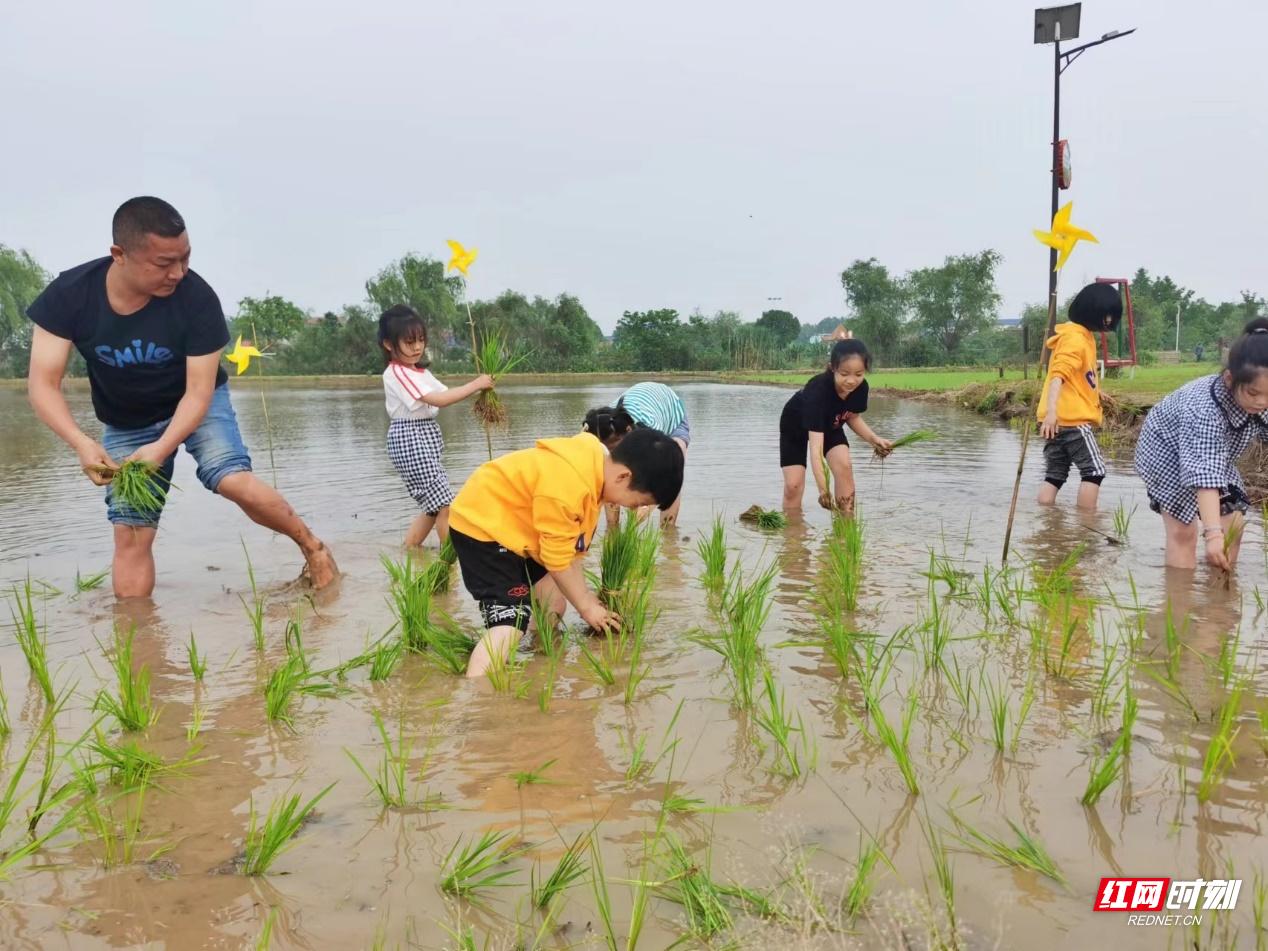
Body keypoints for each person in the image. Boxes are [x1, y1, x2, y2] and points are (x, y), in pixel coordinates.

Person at [25, 196, 337, 598]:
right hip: (127, 419)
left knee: (230, 479)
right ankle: (137, 645)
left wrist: (162, 447)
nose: (178, 272)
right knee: (131, 530)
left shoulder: (197, 298)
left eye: (185, 258)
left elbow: (198, 393)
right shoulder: (71, 295)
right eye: (163, 263)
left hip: (196, 405)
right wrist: (82, 443)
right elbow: (42, 385)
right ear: (119, 254)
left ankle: (314, 548)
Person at [448, 428, 683, 678]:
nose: (633, 509)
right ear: (623, 477)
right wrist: (586, 607)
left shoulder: (596, 473)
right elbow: (555, 559)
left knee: (555, 603)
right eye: (637, 503)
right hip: (482, 528)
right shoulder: (568, 486)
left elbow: (572, 551)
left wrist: (586, 597)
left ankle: (540, 658)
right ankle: (477, 698)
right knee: (510, 624)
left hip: (519, 529)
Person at [1135, 318, 1268, 570]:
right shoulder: (1205, 410)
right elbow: (1205, 477)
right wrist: (1212, 534)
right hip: (1166, 452)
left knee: (1233, 527)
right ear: (1230, 379)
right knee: (1184, 533)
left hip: (1216, 454)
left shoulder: (1262, 399)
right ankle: (1178, 605)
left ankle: (1218, 602)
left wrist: (1219, 535)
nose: (1262, 403)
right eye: (1253, 393)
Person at [379, 305, 492, 547]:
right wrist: (476, 384)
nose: (417, 347)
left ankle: (410, 552)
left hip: (423, 435)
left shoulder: (417, 372)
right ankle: (449, 563)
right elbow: (438, 400)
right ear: (389, 344)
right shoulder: (398, 373)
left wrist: (480, 389)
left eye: (420, 340)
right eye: (409, 342)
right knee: (446, 504)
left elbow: (447, 394)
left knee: (432, 507)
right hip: (409, 439)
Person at [1036, 282, 1123, 510]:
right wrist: (1053, 412)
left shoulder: (1077, 336)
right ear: (1096, 312)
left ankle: (1048, 521)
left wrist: (1097, 392)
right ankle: (1086, 527)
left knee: (1055, 474)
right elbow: (1058, 375)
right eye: (1108, 315)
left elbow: (1077, 377)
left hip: (1055, 419)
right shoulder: (1076, 339)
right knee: (1094, 471)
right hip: (1070, 420)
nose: (1109, 321)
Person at [778, 339, 892, 513]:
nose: (852, 381)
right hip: (795, 426)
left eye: (859, 374)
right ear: (832, 368)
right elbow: (816, 451)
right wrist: (823, 490)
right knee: (793, 486)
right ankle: (793, 534)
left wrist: (874, 439)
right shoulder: (818, 391)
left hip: (830, 423)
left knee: (844, 466)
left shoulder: (860, 389)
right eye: (845, 374)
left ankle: (846, 526)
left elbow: (852, 416)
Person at [582, 381, 690, 526]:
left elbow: (658, 478)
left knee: (672, 472)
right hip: (641, 402)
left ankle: (668, 534)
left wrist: (645, 505)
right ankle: (613, 529)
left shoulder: (649, 431)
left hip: (671, 410)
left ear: (628, 434)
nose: (613, 454)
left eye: (615, 448)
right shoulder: (601, 424)